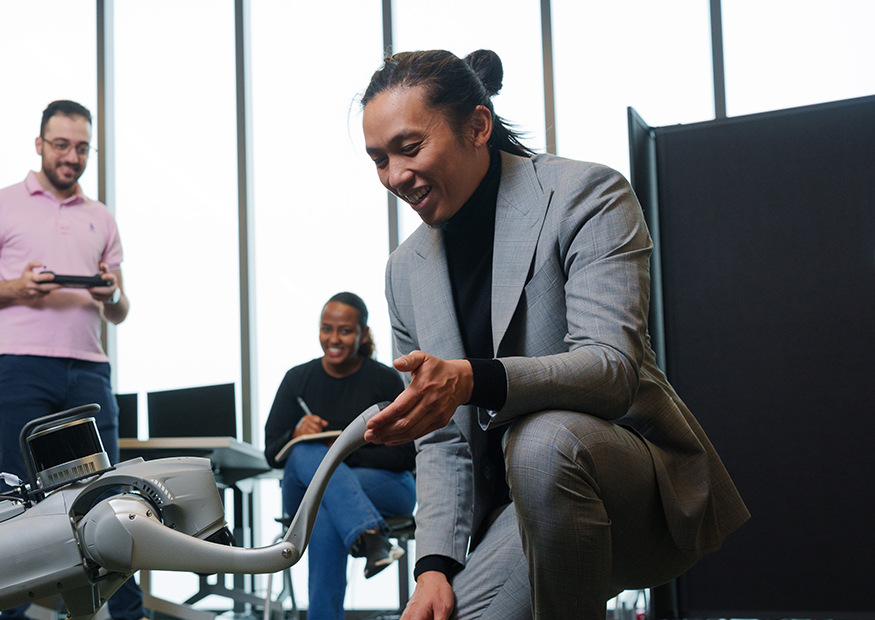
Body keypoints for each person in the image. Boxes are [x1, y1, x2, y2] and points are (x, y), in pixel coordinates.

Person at [358, 49, 749, 619]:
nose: (395, 176)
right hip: (513, 516)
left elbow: (611, 368)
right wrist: (434, 567)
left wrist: (472, 381)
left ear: (477, 126)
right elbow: (440, 437)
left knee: (541, 442)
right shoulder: (404, 272)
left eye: (409, 148)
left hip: (628, 485)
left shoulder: (588, 196)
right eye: (378, 159)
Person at [0, 100, 141, 620]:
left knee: (108, 494)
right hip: (19, 366)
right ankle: (14, 615)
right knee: (20, 500)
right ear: (39, 144)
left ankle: (130, 615)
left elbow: (122, 310)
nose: (72, 156)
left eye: (82, 147)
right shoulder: (1, 204)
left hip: (88, 367)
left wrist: (109, 293)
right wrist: (18, 287)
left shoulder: (101, 218)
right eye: (61, 145)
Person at [263, 292, 415, 620]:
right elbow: (272, 455)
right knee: (305, 451)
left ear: (362, 333)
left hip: (385, 487)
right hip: (304, 492)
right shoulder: (297, 380)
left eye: (345, 330)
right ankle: (372, 538)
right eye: (326, 329)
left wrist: (340, 453)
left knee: (325, 504)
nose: (333, 339)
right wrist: (295, 434)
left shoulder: (384, 380)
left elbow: (407, 457)